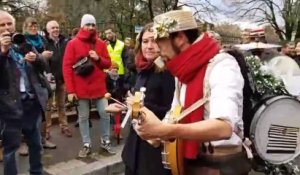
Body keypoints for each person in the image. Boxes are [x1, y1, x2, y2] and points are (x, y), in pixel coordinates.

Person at [133, 10, 251, 175]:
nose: (158, 50)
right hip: (189, 163)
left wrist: (164, 130)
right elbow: (175, 115)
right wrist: (153, 133)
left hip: (221, 166)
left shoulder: (223, 65)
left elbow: (224, 127)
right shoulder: (182, 70)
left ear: (180, 38)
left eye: (161, 42)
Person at [106, 23, 175, 175]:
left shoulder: (169, 72)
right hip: (133, 150)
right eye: (145, 41)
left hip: (154, 154)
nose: (149, 46)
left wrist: (141, 108)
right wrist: (125, 107)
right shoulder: (143, 68)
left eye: (154, 41)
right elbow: (139, 100)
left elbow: (174, 112)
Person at [0, 10, 49, 175]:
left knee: (35, 143)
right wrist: (3, 53)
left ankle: (37, 172)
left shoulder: (23, 41)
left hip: (30, 102)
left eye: (9, 23)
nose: (6, 27)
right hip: (8, 107)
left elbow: (43, 67)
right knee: (11, 149)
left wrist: (36, 59)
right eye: (2, 24)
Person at [63, 14, 115, 158]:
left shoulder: (100, 43)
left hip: (99, 87)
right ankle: (86, 144)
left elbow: (108, 63)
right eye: (88, 25)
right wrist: (70, 90)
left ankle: (105, 141)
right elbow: (66, 68)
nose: (91, 27)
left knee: (105, 114)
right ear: (82, 26)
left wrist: (98, 58)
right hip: (80, 88)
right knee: (83, 117)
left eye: (93, 25)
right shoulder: (72, 44)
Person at [20, 17, 56, 154]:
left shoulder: (42, 41)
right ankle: (25, 143)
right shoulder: (21, 41)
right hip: (27, 82)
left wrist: (44, 58)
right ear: (25, 27)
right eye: (31, 26)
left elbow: (44, 64)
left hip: (41, 81)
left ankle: (42, 139)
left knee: (42, 111)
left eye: (35, 25)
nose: (34, 28)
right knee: (26, 112)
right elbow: (26, 62)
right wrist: (42, 56)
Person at [44, 20, 72, 139]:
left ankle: (64, 126)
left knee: (62, 105)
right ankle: (46, 130)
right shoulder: (44, 42)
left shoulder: (65, 41)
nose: (56, 30)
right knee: (48, 107)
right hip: (49, 80)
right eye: (53, 28)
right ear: (48, 30)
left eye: (57, 27)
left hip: (62, 78)